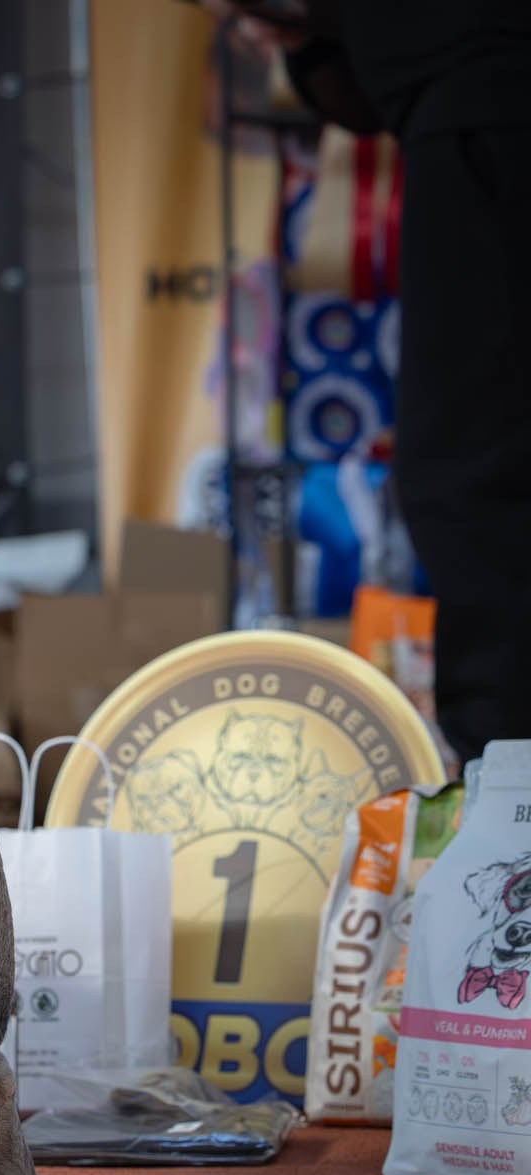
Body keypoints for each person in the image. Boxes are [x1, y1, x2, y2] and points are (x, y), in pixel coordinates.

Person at [203, 0, 531, 766]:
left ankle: (509, 796)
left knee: (471, 466)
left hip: (487, 105)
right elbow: (358, 88)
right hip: (462, 94)